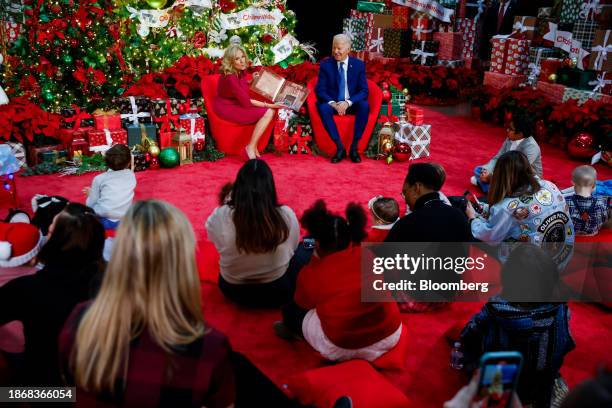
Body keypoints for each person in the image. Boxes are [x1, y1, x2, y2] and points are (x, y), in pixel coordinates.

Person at [59, 200, 235, 407]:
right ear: (183, 261)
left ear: (120, 254)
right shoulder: (209, 346)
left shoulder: (80, 320)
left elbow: (66, 391)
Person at [275, 200, 403, 363]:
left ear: (318, 244)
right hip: (390, 334)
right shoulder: (368, 254)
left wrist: (314, 258)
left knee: (292, 311)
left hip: (343, 346)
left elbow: (303, 303)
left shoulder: (312, 273)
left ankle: (297, 332)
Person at [457, 244, 576, 408]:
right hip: (543, 388)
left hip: (500, 388)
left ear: (508, 277)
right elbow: (566, 346)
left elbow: (467, 338)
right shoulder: (562, 311)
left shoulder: (494, 312)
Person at [0, 203, 104, 386]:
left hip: (49, 388)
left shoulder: (28, 288)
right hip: (97, 382)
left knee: (6, 396)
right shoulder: (111, 283)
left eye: (49, 232)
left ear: (57, 242)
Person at [206, 159, 300, 308]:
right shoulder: (286, 215)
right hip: (277, 291)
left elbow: (212, 236)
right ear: (270, 188)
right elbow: (293, 248)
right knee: (305, 250)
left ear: (238, 188)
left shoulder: (221, 215)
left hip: (232, 290)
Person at [467, 151, 574, 254]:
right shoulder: (549, 185)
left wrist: (472, 219)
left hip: (530, 266)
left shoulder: (506, 207)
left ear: (501, 176)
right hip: (563, 254)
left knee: (469, 231)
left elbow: (490, 237)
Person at [213, 44, 282, 159]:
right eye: (237, 59)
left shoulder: (239, 71)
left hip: (234, 102)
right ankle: (250, 147)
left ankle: (253, 146)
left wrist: (250, 81)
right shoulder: (230, 77)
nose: (241, 61)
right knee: (269, 111)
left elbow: (239, 88)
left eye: (242, 57)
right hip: (227, 107)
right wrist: (271, 105)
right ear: (230, 61)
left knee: (269, 111)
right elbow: (246, 101)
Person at [315, 34, 370, 163]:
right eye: (334, 48)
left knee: (364, 105)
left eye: (339, 48)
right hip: (334, 103)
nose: (335, 51)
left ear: (348, 49)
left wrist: (347, 102)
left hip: (351, 104)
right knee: (323, 108)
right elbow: (320, 90)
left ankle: (354, 147)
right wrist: (334, 104)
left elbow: (364, 90)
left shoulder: (358, 65)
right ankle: (339, 147)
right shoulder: (326, 65)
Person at [386, 162, 473, 243]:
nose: (405, 200)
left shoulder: (406, 225)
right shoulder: (459, 216)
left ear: (417, 188)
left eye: (405, 192)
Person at [471, 114, 542, 193]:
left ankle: (491, 188)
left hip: (521, 178)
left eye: (511, 129)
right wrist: (487, 170)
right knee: (478, 170)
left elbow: (518, 171)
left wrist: (491, 177)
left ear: (520, 134)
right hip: (505, 173)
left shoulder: (531, 147)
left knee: (517, 186)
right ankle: (494, 189)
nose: (507, 130)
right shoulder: (509, 138)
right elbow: (498, 157)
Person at [83, 144, 137, 230]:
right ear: (129, 162)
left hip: (103, 218)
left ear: (106, 162)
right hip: (125, 218)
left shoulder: (99, 179)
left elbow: (90, 204)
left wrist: (91, 194)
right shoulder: (131, 175)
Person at [566, 165, 610, 236]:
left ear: (573, 183)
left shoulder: (566, 201)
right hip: (592, 233)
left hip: (572, 234)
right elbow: (604, 219)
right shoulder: (601, 202)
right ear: (594, 185)